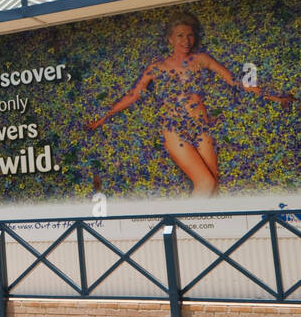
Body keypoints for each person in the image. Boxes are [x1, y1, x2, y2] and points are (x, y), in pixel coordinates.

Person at [86, 13, 295, 196]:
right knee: (205, 183)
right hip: (174, 129)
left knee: (213, 185)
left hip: (201, 127)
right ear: (170, 39)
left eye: (190, 35)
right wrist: (104, 117)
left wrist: (273, 97)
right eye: (180, 35)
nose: (186, 40)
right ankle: (186, 229)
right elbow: (133, 95)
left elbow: (234, 81)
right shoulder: (157, 67)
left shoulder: (201, 59)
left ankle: (205, 233)